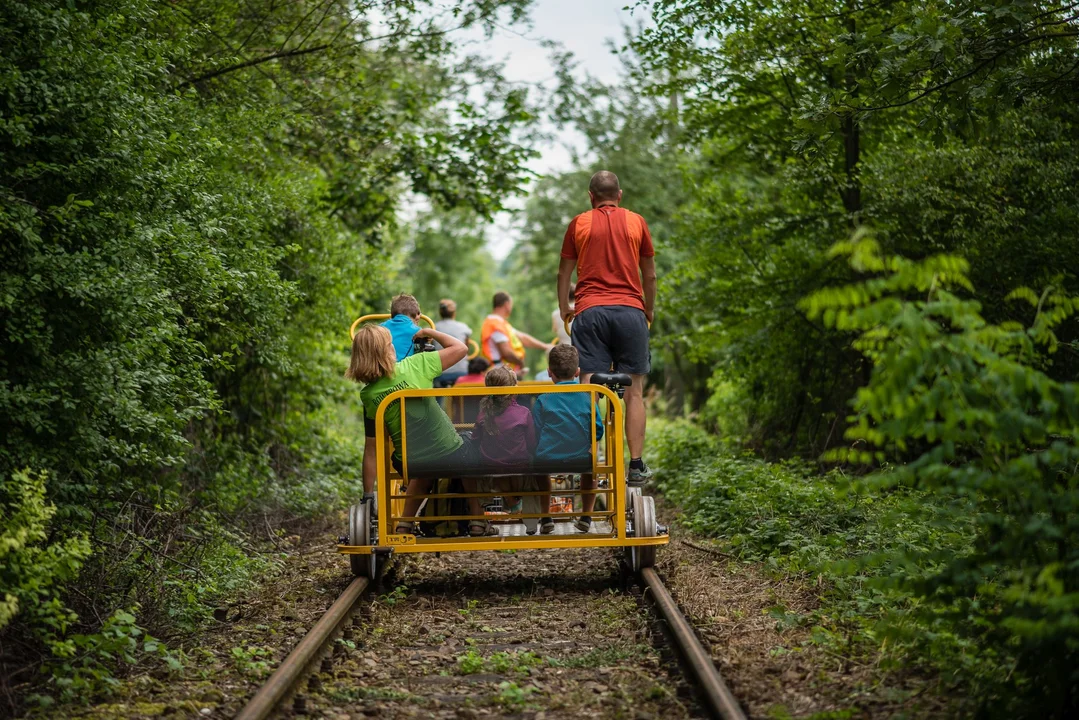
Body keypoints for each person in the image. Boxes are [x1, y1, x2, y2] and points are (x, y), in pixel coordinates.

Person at [557, 170, 656, 485]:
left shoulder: (579, 223)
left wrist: (564, 308)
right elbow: (650, 274)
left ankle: (584, 458)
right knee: (634, 392)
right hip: (630, 312)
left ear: (591, 197)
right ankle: (636, 464)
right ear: (620, 194)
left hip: (590, 312)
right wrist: (648, 310)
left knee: (589, 389)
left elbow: (563, 273)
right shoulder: (637, 222)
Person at [347, 324, 493, 536]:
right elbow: (461, 348)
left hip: (410, 463)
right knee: (467, 448)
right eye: (390, 344)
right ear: (387, 351)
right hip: (450, 453)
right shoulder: (416, 365)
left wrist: (368, 494)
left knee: (425, 466)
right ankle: (477, 519)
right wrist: (430, 332)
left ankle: (405, 522)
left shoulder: (368, 396)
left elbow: (372, 447)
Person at [531, 345, 604, 533]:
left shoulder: (544, 399)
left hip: (547, 459)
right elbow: (597, 430)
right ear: (578, 372)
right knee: (591, 469)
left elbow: (536, 431)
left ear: (549, 373)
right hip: (580, 459)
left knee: (540, 470)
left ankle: (546, 517)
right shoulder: (588, 396)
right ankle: (586, 515)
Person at [471, 367, 551, 534]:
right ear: (513, 389)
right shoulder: (523, 413)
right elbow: (531, 444)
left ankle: (481, 518)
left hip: (491, 474)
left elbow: (475, 440)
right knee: (533, 473)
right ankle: (533, 522)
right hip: (520, 471)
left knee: (494, 466)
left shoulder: (483, 414)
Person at [480, 291, 553, 377]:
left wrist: (545, 346)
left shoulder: (500, 323)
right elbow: (506, 352)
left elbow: (523, 337)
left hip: (501, 372)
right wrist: (520, 362)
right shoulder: (495, 324)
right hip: (499, 374)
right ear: (507, 304)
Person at [433, 298, 472, 387]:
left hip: (441, 371)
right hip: (461, 371)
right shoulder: (463, 327)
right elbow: (466, 349)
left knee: (437, 395)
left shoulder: (434, 328)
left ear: (440, 312)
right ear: (454, 313)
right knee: (460, 399)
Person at [381, 294, 423, 362]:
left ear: (392, 315)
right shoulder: (418, 332)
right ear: (418, 316)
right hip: (406, 371)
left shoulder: (379, 328)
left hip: (381, 370)